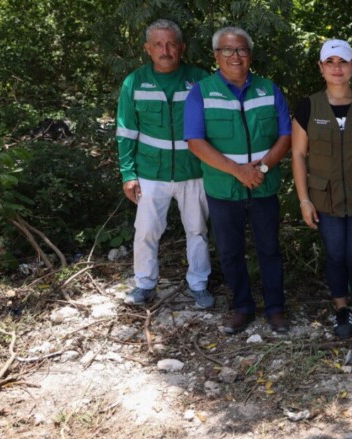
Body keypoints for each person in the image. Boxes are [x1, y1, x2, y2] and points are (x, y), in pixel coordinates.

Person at [184, 27, 292, 334]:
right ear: (217, 55)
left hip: (263, 186)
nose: (236, 56)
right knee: (230, 251)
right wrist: (237, 171)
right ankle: (242, 307)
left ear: (250, 55)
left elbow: (286, 135)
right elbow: (195, 140)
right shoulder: (201, 92)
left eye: (242, 50)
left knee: (269, 248)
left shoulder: (269, 89)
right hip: (223, 189)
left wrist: (262, 169)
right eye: (228, 50)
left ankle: (275, 308)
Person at [291, 39, 352, 339]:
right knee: (335, 255)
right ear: (321, 67)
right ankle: (340, 309)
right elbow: (297, 154)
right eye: (330, 62)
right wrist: (304, 200)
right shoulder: (309, 107)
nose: (337, 67)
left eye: (343, 61)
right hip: (325, 199)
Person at [116, 19, 213, 309]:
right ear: (147, 48)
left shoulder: (200, 79)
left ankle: (199, 284)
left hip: (194, 171)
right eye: (158, 44)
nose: (165, 49)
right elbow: (125, 131)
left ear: (182, 48)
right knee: (145, 230)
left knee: (197, 230)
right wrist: (128, 173)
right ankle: (144, 284)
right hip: (150, 173)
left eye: (171, 43)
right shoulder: (134, 82)